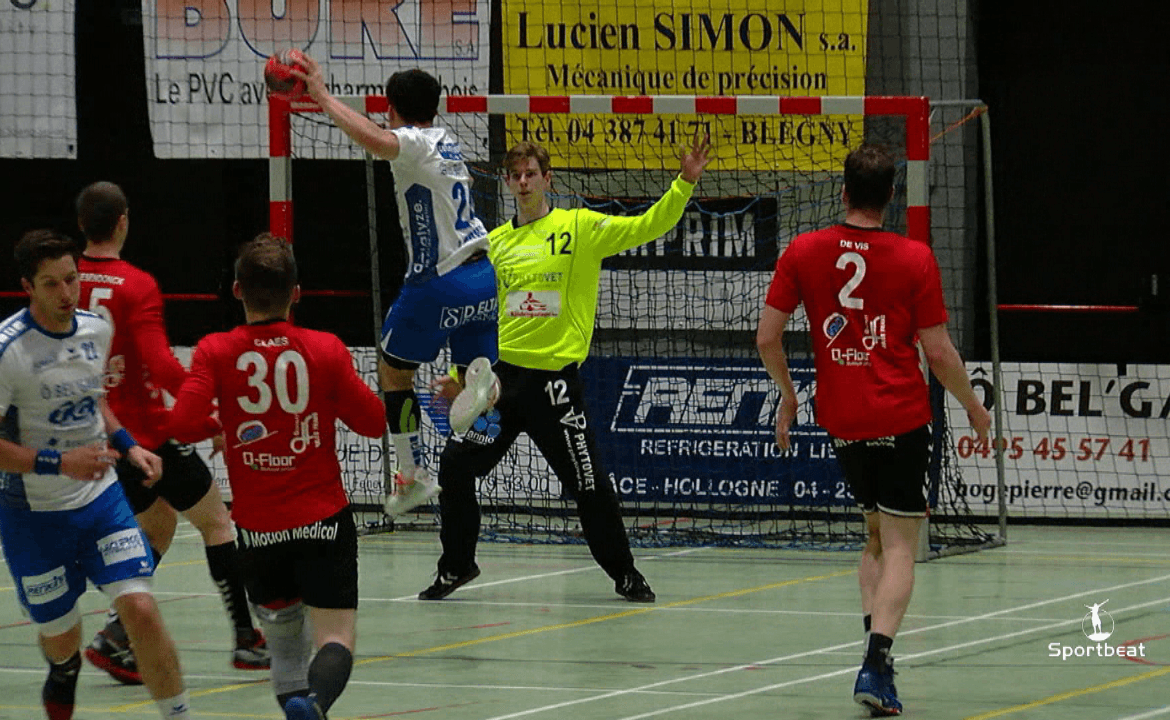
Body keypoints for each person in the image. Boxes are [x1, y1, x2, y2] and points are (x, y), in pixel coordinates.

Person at [419, 137, 711, 603]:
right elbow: (474, 317)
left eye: (530, 173)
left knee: (589, 485)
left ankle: (625, 573)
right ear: (508, 183)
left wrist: (685, 182)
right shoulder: (495, 244)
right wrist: (461, 377)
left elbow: (648, 224)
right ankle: (457, 566)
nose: (522, 182)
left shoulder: (580, 228)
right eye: (514, 175)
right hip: (500, 384)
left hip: (555, 387)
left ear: (547, 178)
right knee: (455, 466)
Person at [755, 144, 992, 717]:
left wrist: (790, 398)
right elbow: (938, 352)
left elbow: (766, 338)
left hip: (842, 418)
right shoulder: (914, 257)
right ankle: (878, 661)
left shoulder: (804, 250)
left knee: (873, 538)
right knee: (904, 546)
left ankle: (873, 655)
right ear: (892, 196)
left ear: (842, 192)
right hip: (901, 416)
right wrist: (975, 409)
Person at [0, 230, 194, 720]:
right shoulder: (1, 352)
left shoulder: (95, 330)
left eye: (71, 279)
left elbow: (95, 400)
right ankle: (65, 669)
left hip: (100, 499)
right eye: (51, 285)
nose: (67, 294)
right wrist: (59, 463)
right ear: (27, 287)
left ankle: (178, 714)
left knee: (141, 609)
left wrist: (129, 445)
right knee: (61, 637)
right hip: (33, 514)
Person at [170, 235, 386, 720]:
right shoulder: (324, 349)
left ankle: (299, 706)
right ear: (298, 293)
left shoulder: (215, 351)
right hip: (324, 523)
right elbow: (373, 422)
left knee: (286, 645)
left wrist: (222, 424)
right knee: (335, 639)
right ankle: (316, 703)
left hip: (258, 529)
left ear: (236, 290)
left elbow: (180, 424)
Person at [288, 51, 501, 516]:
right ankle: (479, 384)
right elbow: (386, 137)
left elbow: (377, 141)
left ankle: (413, 475)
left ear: (393, 109)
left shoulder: (414, 143)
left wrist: (321, 95)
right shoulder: (446, 140)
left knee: (393, 373)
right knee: (464, 383)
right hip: (484, 280)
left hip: (439, 281)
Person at [73, 181, 269, 683]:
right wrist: (213, 415)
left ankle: (115, 637)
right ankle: (247, 642)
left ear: (82, 225)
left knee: (158, 526)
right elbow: (161, 366)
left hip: (96, 433)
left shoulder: (64, 279)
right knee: (218, 524)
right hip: (146, 434)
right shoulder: (136, 284)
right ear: (124, 221)